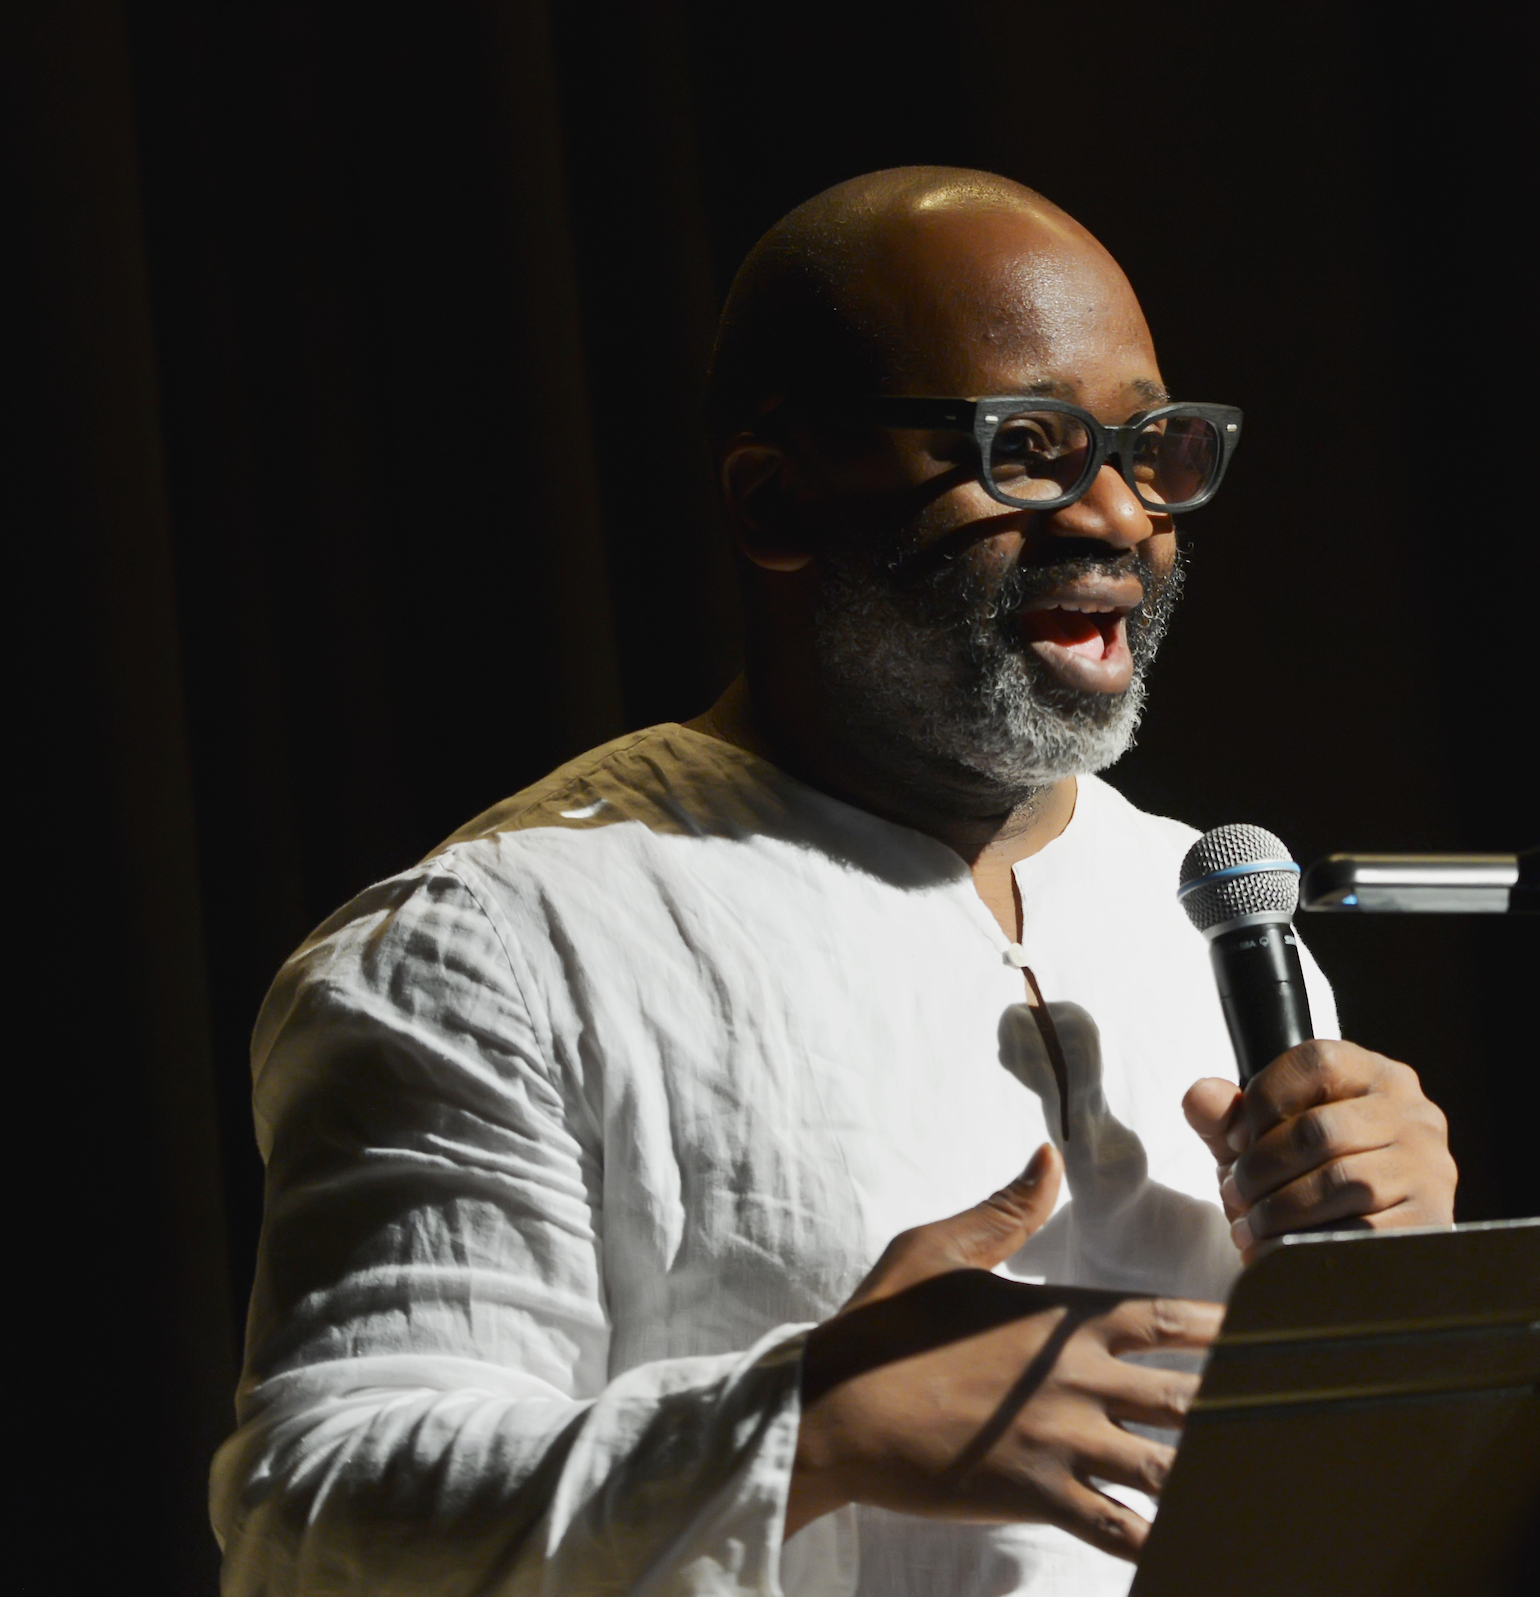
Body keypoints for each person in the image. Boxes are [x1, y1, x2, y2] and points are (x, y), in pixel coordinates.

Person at [211, 167, 1457, 1596]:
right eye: (1028, 446)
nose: (1119, 516)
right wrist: (803, 1426)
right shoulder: (502, 945)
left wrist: (1404, 1291)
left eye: (1149, 447)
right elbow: (312, 1520)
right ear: (777, 495)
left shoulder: (1210, 911)